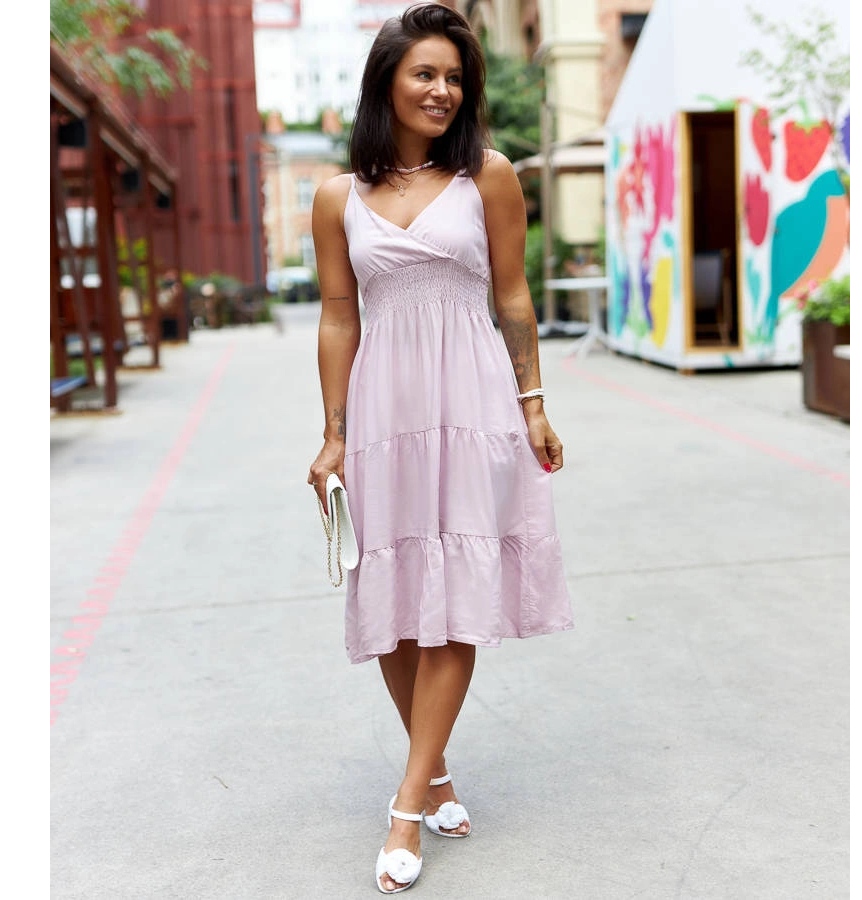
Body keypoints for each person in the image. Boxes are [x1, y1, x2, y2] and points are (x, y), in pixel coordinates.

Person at [306, 3, 573, 893]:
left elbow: (514, 296)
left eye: (455, 77)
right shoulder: (337, 196)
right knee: (393, 604)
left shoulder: (488, 175)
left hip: (473, 401)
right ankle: (441, 776)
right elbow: (338, 316)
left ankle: (407, 807)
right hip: (384, 411)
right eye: (425, 73)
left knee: (454, 600)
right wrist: (334, 434)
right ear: (387, 81)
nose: (442, 90)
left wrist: (533, 405)